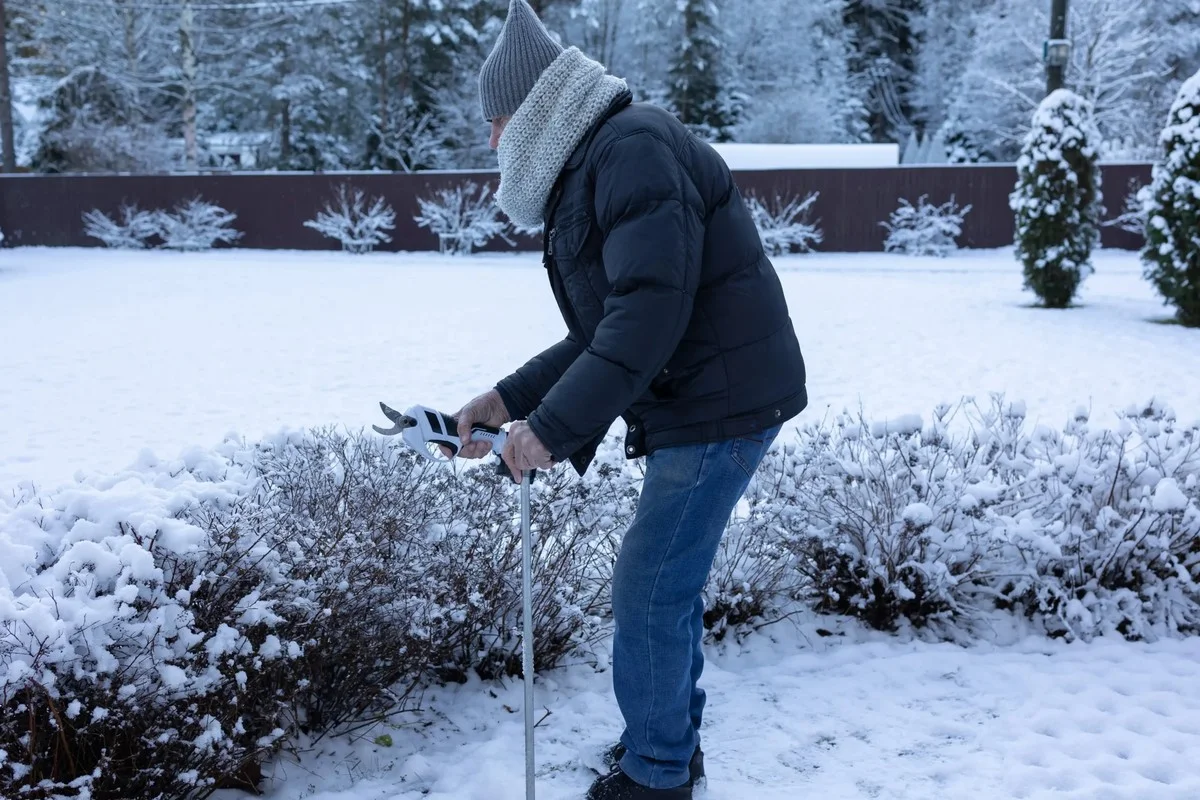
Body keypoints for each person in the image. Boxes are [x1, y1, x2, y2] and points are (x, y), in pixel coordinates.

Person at [448, 1, 808, 797]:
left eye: (496, 121)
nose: (491, 142)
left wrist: (550, 431)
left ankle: (656, 777)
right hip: (703, 393)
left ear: (534, 110)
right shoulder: (600, 159)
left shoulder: (629, 151)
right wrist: (506, 400)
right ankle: (670, 747)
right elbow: (607, 326)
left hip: (720, 400)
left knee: (648, 589)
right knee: (663, 586)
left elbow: (647, 317)